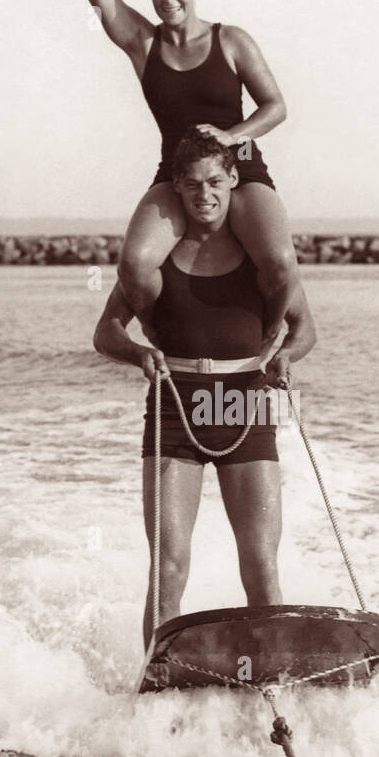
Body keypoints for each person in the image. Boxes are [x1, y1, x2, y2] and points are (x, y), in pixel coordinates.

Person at [35, 0, 298, 360]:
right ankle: (159, 333)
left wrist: (228, 136)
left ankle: (268, 333)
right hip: (176, 174)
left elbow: (276, 106)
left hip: (240, 168)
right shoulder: (143, 44)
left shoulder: (232, 40)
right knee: (134, 263)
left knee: (280, 261)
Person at [93, 129, 317, 646]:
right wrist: (138, 352)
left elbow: (305, 328)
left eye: (215, 181)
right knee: (167, 566)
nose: (205, 194)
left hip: (246, 403)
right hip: (175, 406)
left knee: (261, 564)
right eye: (192, 185)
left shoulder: (262, 257)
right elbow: (105, 333)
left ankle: (270, 677)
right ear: (176, 188)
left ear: (234, 180)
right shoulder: (155, 261)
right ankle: (154, 681)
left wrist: (285, 355)